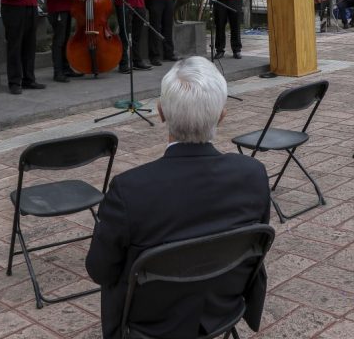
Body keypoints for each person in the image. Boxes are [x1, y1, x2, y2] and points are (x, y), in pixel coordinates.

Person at [85, 57, 271, 338]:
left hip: (150, 323)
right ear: (222, 115)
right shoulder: (253, 174)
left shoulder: (129, 190)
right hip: (222, 308)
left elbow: (100, 270)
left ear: (160, 113)